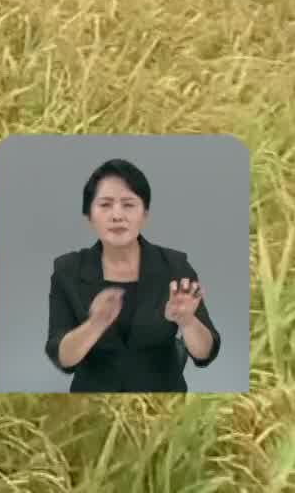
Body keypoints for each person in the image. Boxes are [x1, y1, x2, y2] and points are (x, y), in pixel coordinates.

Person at [43, 158, 221, 392]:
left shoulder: (174, 266)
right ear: (89, 216)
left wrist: (187, 320)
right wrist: (95, 323)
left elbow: (205, 353)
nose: (117, 215)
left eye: (128, 204)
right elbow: (62, 358)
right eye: (105, 205)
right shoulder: (67, 270)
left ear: (145, 214)